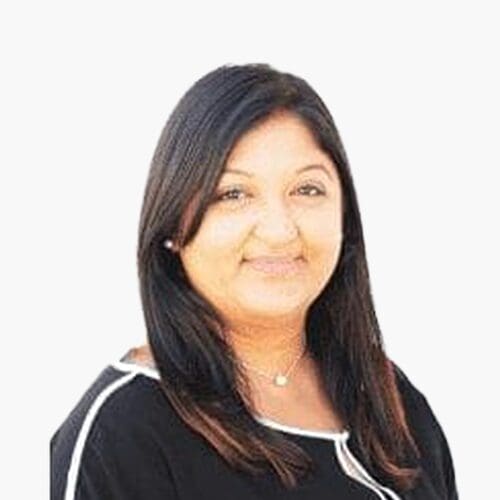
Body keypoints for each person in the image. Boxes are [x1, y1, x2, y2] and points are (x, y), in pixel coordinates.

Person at [50, 63, 458, 500]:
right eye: (233, 195)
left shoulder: (391, 401)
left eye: (307, 190)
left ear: (345, 217)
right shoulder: (123, 431)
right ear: (172, 226)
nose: (279, 230)